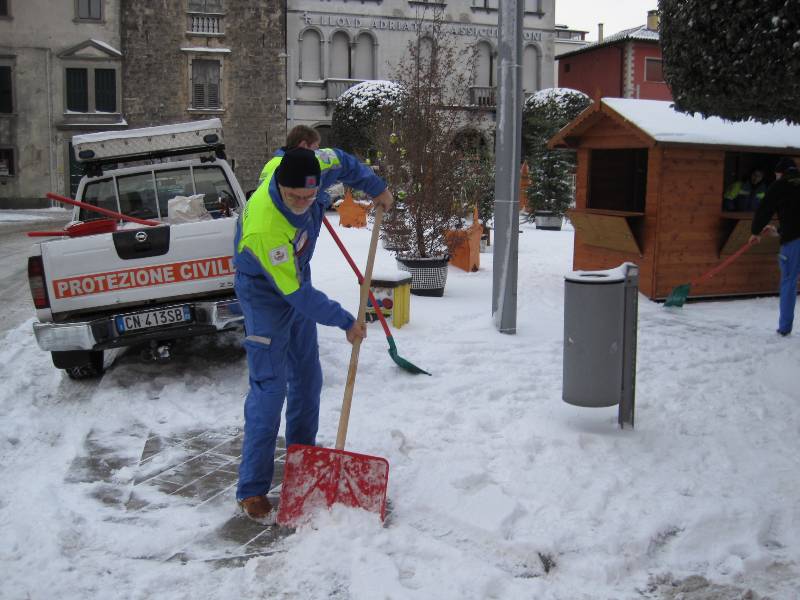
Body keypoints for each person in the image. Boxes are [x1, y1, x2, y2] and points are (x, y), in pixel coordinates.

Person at [234, 147, 393, 523]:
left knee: (308, 378)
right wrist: (344, 320)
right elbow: (297, 296)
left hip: (296, 277)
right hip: (264, 292)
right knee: (271, 389)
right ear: (280, 186)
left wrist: (377, 187)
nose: (305, 203)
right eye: (295, 197)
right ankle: (252, 489)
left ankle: (301, 461)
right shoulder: (265, 226)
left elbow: (345, 160)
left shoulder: (316, 166)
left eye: (311, 196)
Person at [749, 156, 800, 336]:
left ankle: (785, 328)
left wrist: (755, 232)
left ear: (780, 173)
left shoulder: (780, 185)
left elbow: (765, 208)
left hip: (793, 243)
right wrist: (778, 230)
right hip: (792, 235)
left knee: (789, 282)